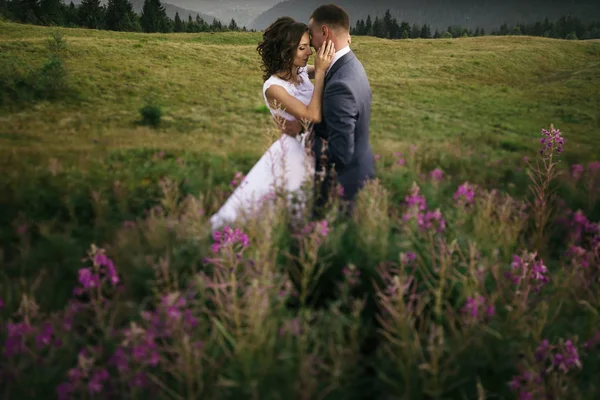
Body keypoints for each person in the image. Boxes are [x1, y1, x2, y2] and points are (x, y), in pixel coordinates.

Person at [209, 17, 335, 230]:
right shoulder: (274, 88)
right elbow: (311, 115)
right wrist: (321, 72)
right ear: (286, 51)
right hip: (294, 151)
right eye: (302, 48)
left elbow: (329, 67)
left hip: (309, 144)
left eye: (308, 46)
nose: (309, 52)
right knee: (293, 205)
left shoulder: (301, 72)